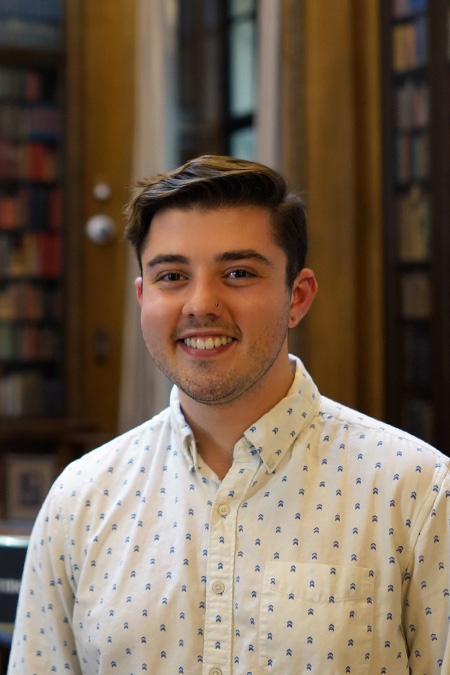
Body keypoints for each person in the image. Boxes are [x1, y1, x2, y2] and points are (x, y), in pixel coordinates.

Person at [8, 155, 450, 674]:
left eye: (238, 273)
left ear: (297, 297)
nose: (200, 304)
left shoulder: (418, 492)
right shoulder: (79, 500)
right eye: (172, 275)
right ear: (143, 296)